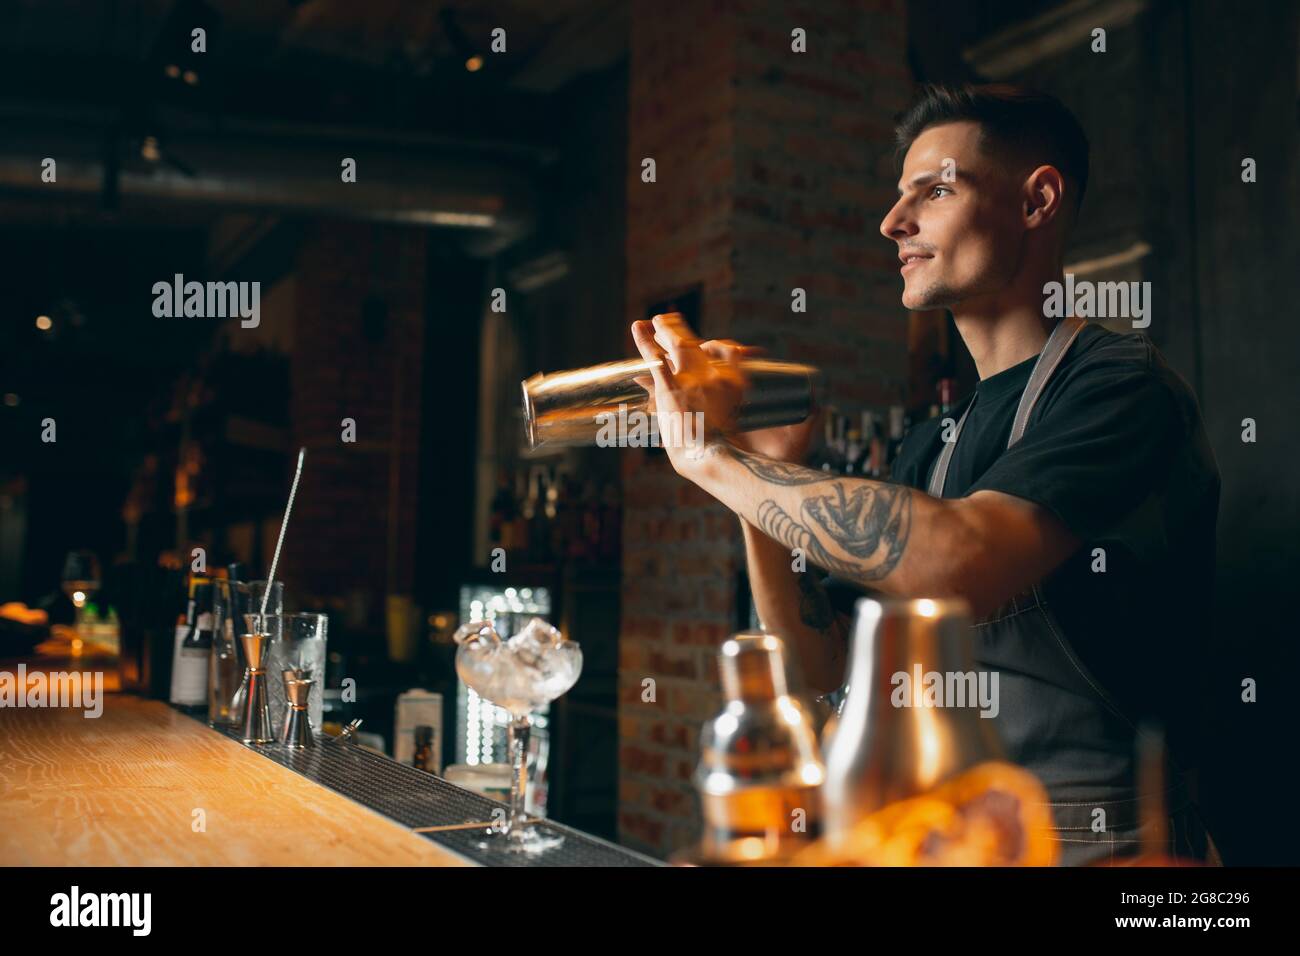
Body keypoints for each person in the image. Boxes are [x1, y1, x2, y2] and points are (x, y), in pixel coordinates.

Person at [630, 83, 1221, 866]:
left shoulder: (1120, 387)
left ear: (1037, 202)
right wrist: (766, 481)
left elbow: (963, 562)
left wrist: (708, 458)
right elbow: (822, 674)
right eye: (897, 196)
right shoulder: (936, 438)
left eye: (935, 190)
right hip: (955, 842)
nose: (892, 223)